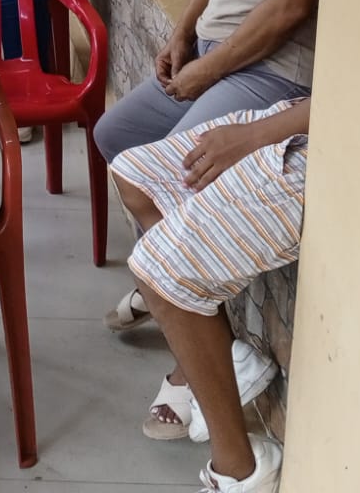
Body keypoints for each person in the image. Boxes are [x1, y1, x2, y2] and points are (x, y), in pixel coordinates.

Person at [93, 0, 335, 439]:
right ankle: (194, 312)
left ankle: (196, 358)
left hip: (271, 67)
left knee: (181, 175)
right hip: (215, 49)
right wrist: (181, 32)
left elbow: (291, 4)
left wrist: (208, 69)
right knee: (116, 136)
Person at [109, 98, 310, 492]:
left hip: (342, 140)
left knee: (159, 272)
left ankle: (240, 470)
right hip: (307, 110)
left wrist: (254, 136)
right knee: (133, 175)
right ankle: (222, 355)